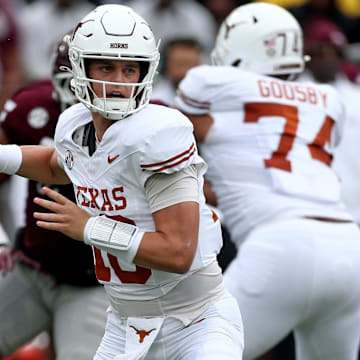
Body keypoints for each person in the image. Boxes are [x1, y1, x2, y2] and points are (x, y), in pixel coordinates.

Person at [0, 5, 244, 360]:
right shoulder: (75, 124)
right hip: (126, 324)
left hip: (194, 322)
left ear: (145, 72)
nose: (118, 80)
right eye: (106, 67)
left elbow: (178, 251)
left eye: (129, 68)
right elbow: (56, 164)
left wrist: (88, 227)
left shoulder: (159, 133)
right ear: (80, 68)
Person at [174, 3, 360, 360]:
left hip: (281, 245)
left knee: (193, 352)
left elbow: (180, 129)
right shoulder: (328, 99)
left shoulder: (208, 82)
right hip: (347, 246)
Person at [0, 33, 108, 360]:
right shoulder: (32, 107)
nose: (80, 99)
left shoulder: (150, 129)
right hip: (33, 268)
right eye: (73, 85)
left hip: (95, 285)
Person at [152, 37, 204, 106]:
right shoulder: (154, 102)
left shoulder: (213, 98)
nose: (186, 71)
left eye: (192, 65)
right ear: (166, 67)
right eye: (180, 65)